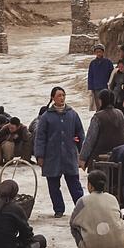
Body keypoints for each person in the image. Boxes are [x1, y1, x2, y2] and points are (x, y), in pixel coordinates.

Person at [34, 86, 86, 218]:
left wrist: (83, 153)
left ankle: (81, 208)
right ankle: (58, 209)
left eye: (63, 95)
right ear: (53, 98)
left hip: (69, 154)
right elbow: (40, 137)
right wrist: (40, 155)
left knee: (74, 183)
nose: (62, 98)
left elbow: (80, 133)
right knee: (53, 185)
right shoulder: (46, 116)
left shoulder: (72, 114)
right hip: (52, 156)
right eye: (59, 95)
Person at [71, 170, 124, 248]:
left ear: (90, 186)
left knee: (75, 228)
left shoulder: (82, 201)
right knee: (121, 226)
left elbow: (73, 223)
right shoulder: (112, 198)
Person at [87, 43, 114, 111]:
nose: (98, 53)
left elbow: (112, 75)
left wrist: (111, 86)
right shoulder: (93, 63)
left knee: (106, 105)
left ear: (103, 52)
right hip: (96, 88)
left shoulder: (108, 62)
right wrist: (91, 88)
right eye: (97, 52)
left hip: (106, 87)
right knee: (98, 106)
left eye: (100, 52)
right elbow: (90, 76)